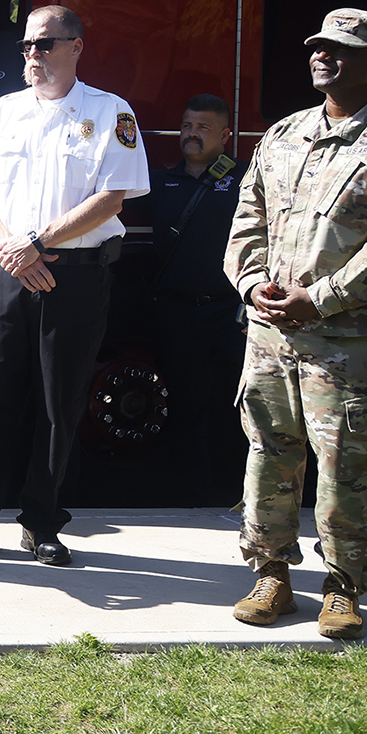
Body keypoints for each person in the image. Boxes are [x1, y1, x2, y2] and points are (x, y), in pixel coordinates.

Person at [225, 8, 367, 640]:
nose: (323, 56)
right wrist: (252, 283)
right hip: (271, 337)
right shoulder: (283, 134)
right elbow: (247, 220)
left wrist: (319, 300)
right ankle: (271, 574)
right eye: (319, 46)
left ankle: (344, 586)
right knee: (269, 455)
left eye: (342, 49)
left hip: (352, 343)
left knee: (350, 465)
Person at [0, 5, 151, 566]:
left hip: (74, 274)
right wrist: (13, 247)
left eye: (45, 43)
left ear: (76, 47)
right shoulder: (3, 112)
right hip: (9, 270)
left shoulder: (109, 112)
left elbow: (112, 197)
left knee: (59, 399)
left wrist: (39, 241)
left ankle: (42, 522)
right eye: (26, 44)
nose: (32, 54)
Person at [134, 94, 248, 506]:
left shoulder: (246, 180)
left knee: (240, 405)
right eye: (186, 126)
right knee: (185, 405)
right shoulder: (160, 182)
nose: (191, 134)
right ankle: (191, 497)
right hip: (179, 312)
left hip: (232, 313)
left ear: (225, 135)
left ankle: (238, 490)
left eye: (203, 127)